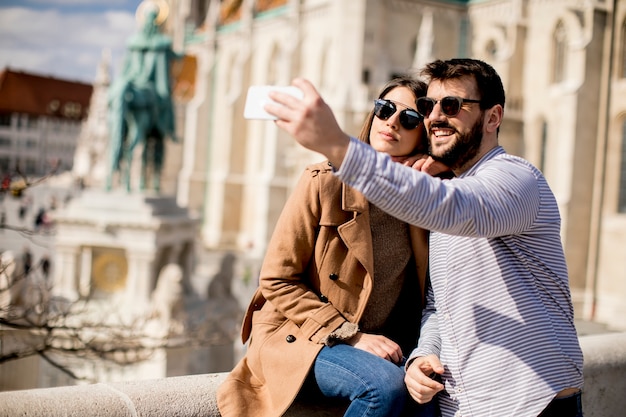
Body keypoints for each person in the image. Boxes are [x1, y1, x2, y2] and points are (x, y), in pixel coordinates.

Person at [264, 58, 584, 417]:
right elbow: (438, 306)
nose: (435, 117)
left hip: (531, 402)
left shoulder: (516, 179)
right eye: (429, 106)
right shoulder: (446, 193)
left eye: (452, 106)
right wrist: (419, 358)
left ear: (493, 118)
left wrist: (339, 146)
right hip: (467, 405)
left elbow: (455, 208)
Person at [217, 77, 446, 417]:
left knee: (431, 397)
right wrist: (351, 336)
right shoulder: (323, 181)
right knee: (382, 387)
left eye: (409, 119)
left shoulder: (428, 197)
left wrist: (442, 166)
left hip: (382, 343)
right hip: (303, 335)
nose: (392, 121)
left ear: (422, 134)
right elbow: (277, 279)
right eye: (385, 110)